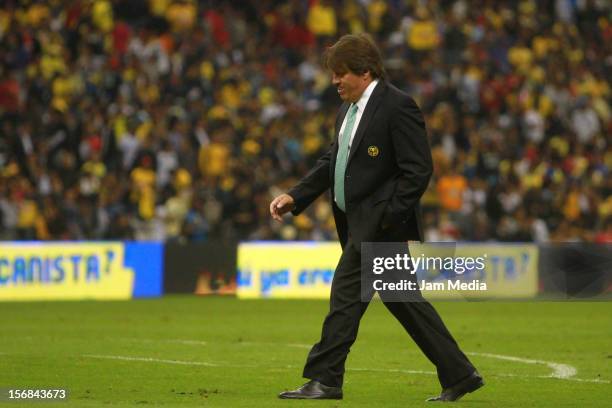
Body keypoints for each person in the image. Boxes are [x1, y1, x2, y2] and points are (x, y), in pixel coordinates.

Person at [269, 33, 483, 402]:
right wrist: (295, 195)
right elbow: (331, 163)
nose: (334, 81)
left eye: (340, 73)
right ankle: (460, 373)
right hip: (359, 224)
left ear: (365, 71)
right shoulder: (348, 110)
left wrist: (386, 218)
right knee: (405, 302)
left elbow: (418, 169)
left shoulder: (397, 106)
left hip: (377, 227)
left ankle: (326, 379)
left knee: (345, 296)